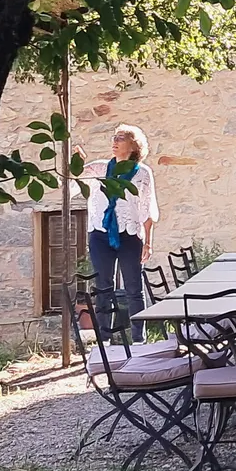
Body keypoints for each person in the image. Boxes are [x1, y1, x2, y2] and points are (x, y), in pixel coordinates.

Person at [76, 124, 159, 343]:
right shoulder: (99, 169)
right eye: (114, 137)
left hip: (130, 234)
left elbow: (147, 209)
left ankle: (139, 338)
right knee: (103, 286)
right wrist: (76, 162)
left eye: (121, 138)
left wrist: (148, 243)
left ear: (134, 145)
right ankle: (104, 338)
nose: (115, 141)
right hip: (100, 233)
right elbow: (72, 185)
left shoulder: (142, 173)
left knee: (133, 287)